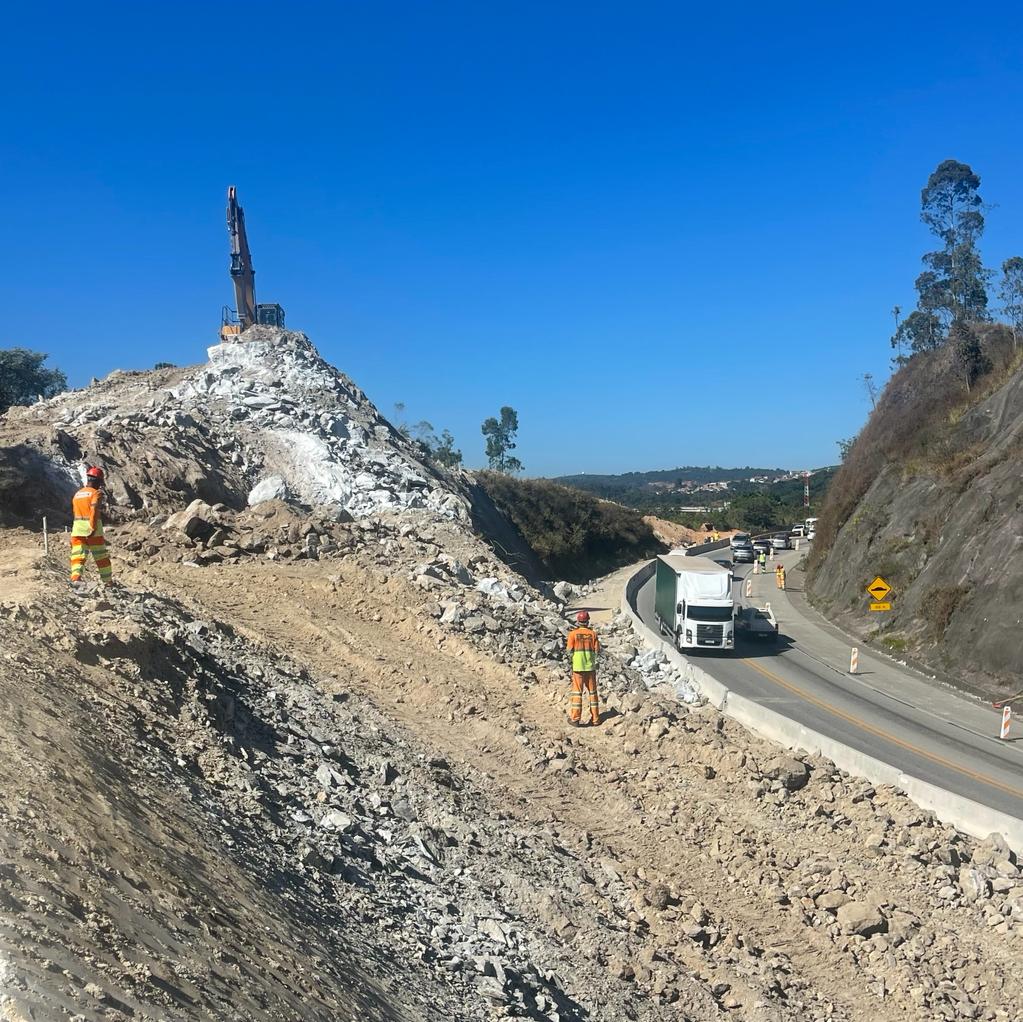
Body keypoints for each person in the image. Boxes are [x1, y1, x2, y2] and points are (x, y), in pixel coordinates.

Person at [70, 466, 113, 586]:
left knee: (78, 555)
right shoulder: (96, 493)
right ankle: (108, 582)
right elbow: (94, 511)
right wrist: (93, 527)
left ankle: (75, 578)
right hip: (92, 530)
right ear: (98, 481)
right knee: (101, 557)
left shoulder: (78, 494)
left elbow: (75, 512)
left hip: (77, 529)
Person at [566, 610, 600, 727]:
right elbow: (597, 651)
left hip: (578, 667)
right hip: (590, 668)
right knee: (593, 693)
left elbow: (569, 650)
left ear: (578, 621)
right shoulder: (593, 634)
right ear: (588, 621)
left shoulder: (573, 634)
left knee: (577, 693)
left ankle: (575, 719)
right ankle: (596, 719)